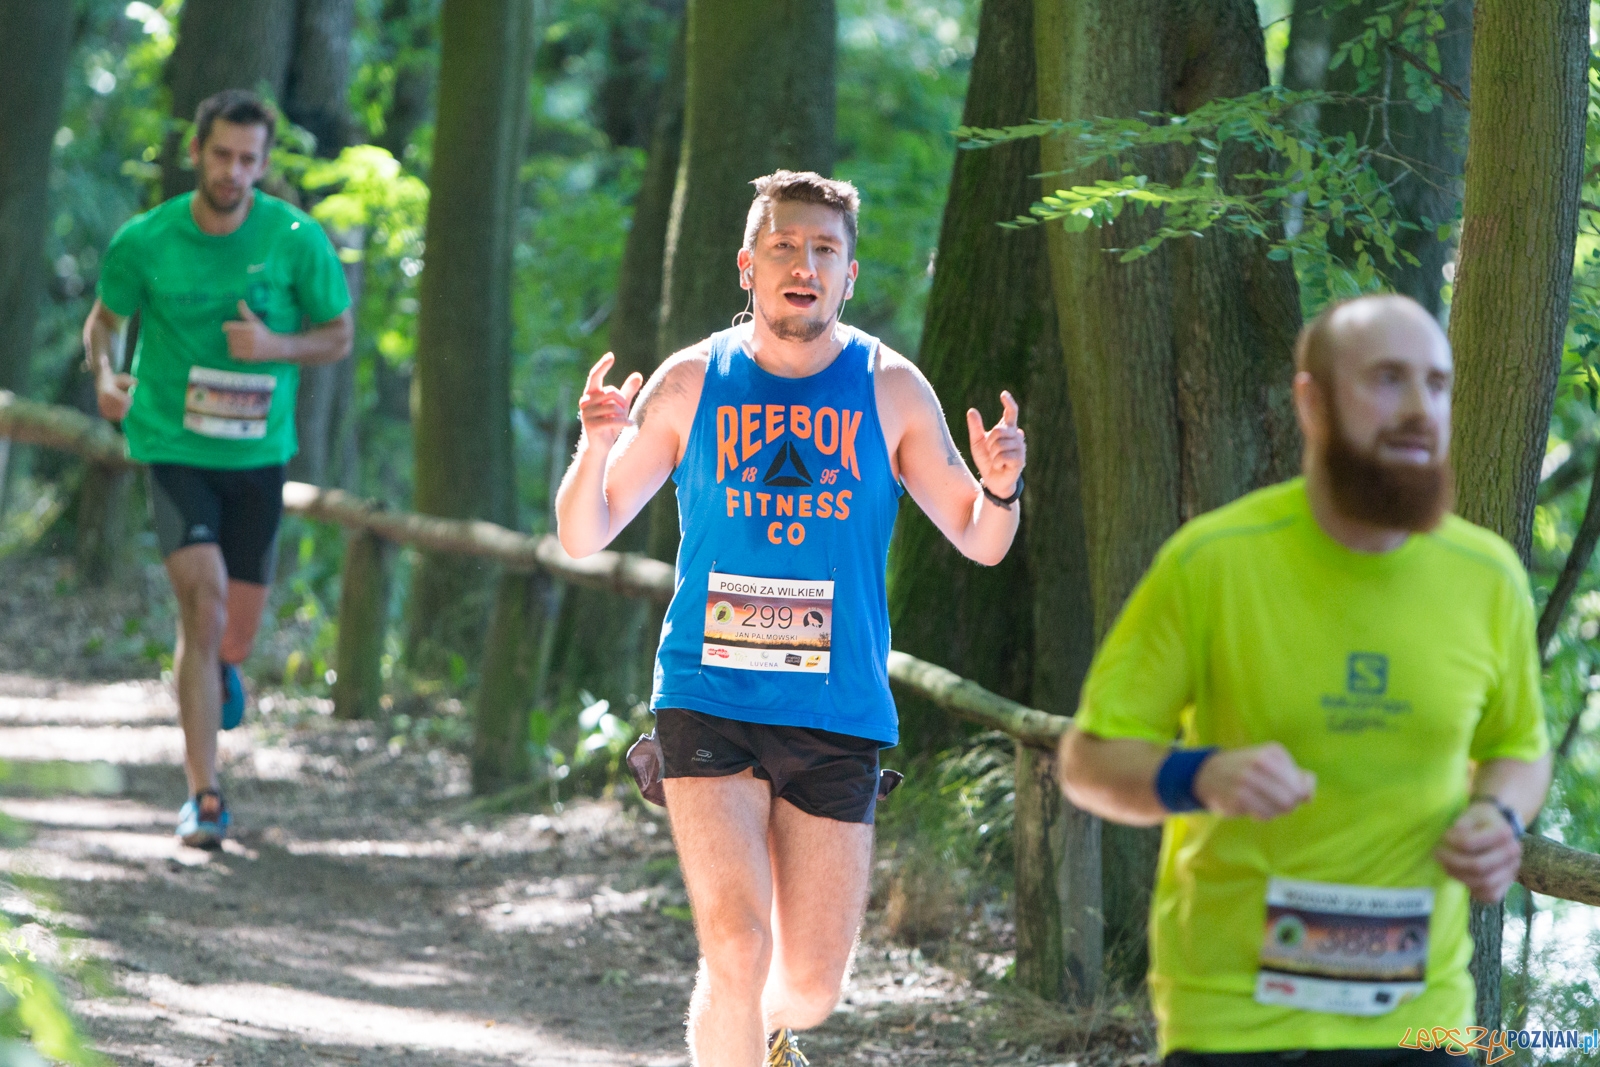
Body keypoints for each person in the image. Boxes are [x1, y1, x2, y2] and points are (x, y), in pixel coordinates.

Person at [556, 170, 1026, 1067]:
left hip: (836, 708)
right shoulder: (695, 380)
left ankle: (754, 1021)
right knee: (736, 944)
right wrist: (600, 444)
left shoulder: (890, 388)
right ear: (748, 266)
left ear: (849, 273)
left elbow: (980, 537)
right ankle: (734, 1002)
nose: (802, 264)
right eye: (783, 246)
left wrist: (1001, 485)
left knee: (807, 987)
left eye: (823, 249)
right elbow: (585, 531)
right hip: (708, 693)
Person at [1057, 293, 1552, 1066]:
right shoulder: (1211, 561)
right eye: (1387, 379)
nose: (1420, 408)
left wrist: (1501, 815)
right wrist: (1202, 774)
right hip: (1237, 1017)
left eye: (1438, 383)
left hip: (1423, 1013)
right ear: (1310, 401)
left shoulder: (1488, 576)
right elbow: (1087, 763)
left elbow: (1519, 744)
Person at [84, 90, 352, 849]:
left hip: (258, 455)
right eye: (222, 155)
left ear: (264, 164)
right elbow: (104, 323)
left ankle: (226, 666)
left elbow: (336, 335)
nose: (234, 171)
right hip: (173, 443)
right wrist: (105, 376)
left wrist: (275, 348)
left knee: (235, 628)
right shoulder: (148, 239)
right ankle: (203, 794)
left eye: (248, 159)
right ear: (197, 153)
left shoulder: (297, 238)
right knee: (198, 606)